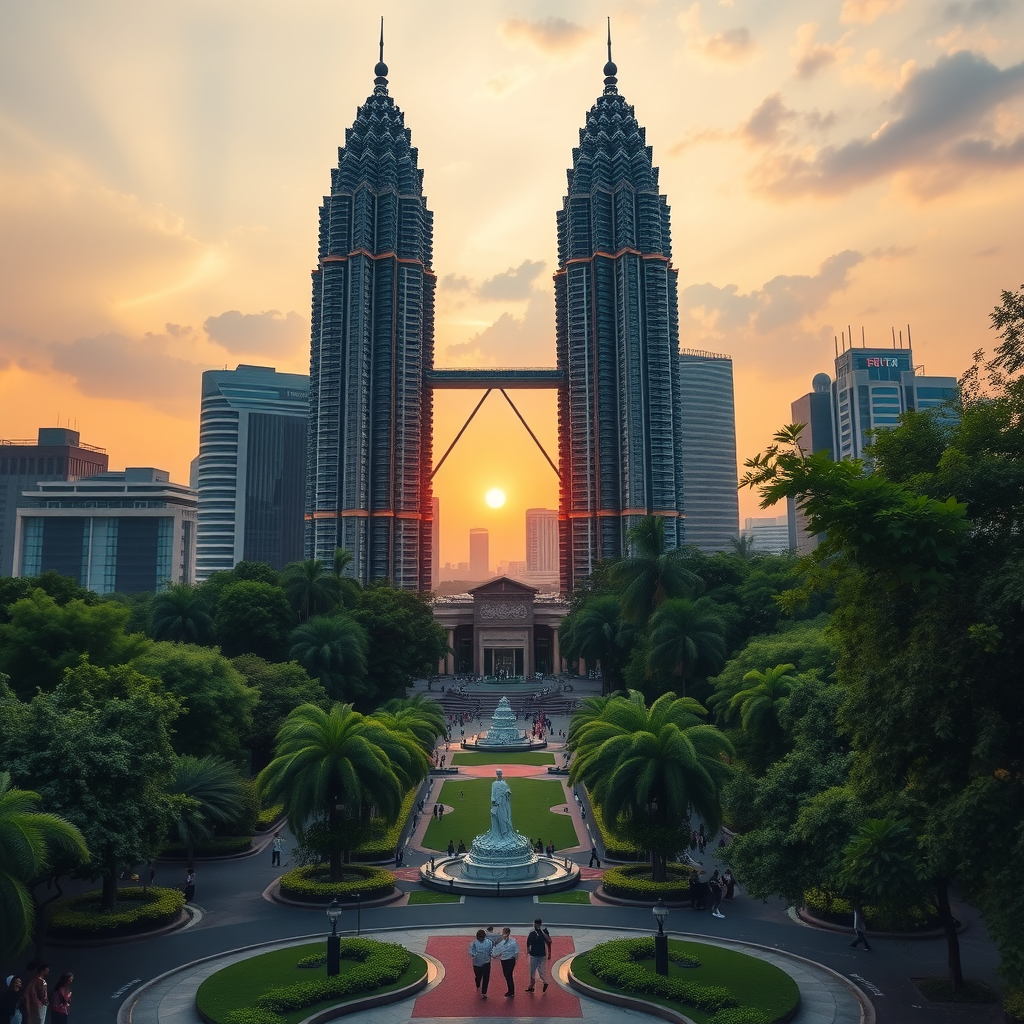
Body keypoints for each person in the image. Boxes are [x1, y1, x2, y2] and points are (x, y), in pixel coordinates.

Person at [525, 919, 552, 993]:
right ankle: (545, 981)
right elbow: (549, 942)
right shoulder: (544, 932)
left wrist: (528, 950)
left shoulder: (532, 933)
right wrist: (549, 954)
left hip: (534, 954)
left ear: (534, 923)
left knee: (532, 971)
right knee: (542, 969)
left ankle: (531, 986)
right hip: (542, 954)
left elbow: (528, 942)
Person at [492, 927, 519, 997]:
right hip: (510, 960)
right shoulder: (513, 940)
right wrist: (515, 960)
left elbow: (497, 951)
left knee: (508, 976)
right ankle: (511, 990)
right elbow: (516, 952)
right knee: (508, 975)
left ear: (506, 933)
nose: (502, 933)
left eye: (503, 932)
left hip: (506, 961)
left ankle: (511, 991)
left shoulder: (502, 942)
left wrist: (494, 955)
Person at [468, 929, 493, 998]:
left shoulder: (489, 942)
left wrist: (490, 954)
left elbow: (491, 950)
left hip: (486, 962)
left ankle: (484, 992)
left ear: (484, 937)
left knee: (486, 977)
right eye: (479, 937)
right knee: (478, 976)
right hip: (477, 963)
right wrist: (476, 954)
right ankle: (477, 983)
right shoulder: (473, 944)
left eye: (482, 937)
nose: (480, 939)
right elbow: (471, 952)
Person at [489, 770, 513, 838]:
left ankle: (505, 831)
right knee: (500, 817)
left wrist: (507, 792)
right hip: (498, 803)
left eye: (500, 775)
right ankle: (503, 832)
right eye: (498, 775)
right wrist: (493, 800)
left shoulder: (504, 783)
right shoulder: (494, 784)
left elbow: (508, 790)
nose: (500, 776)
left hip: (504, 803)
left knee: (505, 817)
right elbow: (493, 793)